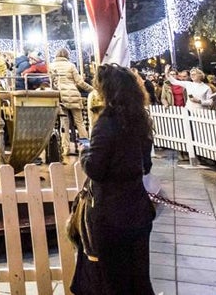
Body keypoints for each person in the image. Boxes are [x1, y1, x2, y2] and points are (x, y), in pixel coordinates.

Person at [71, 65, 155, 295]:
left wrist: (83, 152)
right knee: (138, 278)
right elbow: (146, 166)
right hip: (137, 210)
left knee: (112, 279)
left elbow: (95, 169)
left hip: (110, 214)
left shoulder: (106, 123)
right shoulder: (140, 120)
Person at [50, 48, 91, 149]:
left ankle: (65, 148)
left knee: (64, 123)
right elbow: (80, 82)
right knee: (80, 123)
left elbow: (51, 82)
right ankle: (85, 147)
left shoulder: (51, 66)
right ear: (67, 55)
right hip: (73, 95)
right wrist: (93, 89)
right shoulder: (71, 65)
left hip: (61, 96)